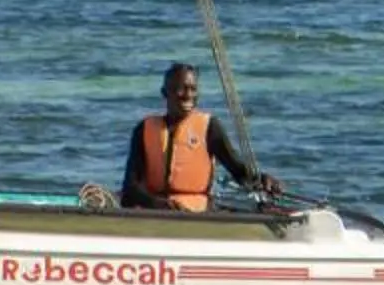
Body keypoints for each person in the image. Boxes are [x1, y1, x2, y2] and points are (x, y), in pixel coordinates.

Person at [120, 62, 279, 213]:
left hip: (196, 212)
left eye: (193, 89)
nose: (188, 95)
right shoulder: (144, 129)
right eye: (181, 89)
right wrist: (156, 204)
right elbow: (130, 187)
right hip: (154, 212)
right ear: (165, 92)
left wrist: (262, 179)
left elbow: (238, 171)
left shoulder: (210, 127)